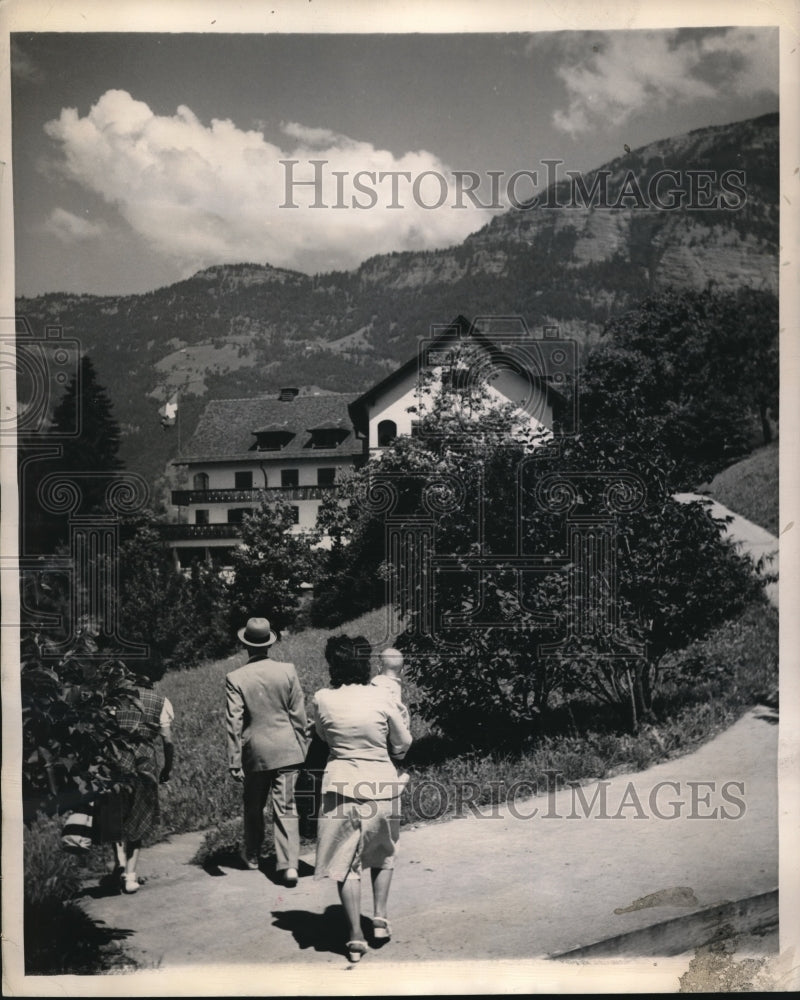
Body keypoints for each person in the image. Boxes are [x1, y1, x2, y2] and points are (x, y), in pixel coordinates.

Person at [311, 634, 412, 963]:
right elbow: (403, 741)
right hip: (381, 787)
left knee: (344, 863)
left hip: (340, 788)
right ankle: (379, 920)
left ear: (332, 664)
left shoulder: (322, 699)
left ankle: (354, 936)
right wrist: (393, 749)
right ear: (365, 662)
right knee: (383, 852)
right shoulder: (381, 697)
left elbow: (324, 737)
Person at [226, 616, 308, 885]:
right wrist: (302, 748)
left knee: (253, 805)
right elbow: (298, 714)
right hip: (287, 749)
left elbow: (234, 720)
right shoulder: (287, 670)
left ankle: (252, 855)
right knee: (286, 805)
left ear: (245, 645)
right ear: (269, 644)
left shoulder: (236, 677)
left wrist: (234, 759)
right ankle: (289, 865)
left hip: (255, 752)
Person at [94, 662, 174, 894]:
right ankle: (131, 876)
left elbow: (103, 732)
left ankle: (119, 861)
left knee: (115, 811)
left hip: (115, 757)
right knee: (139, 815)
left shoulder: (115, 700)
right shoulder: (161, 701)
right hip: (145, 762)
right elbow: (167, 741)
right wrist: (167, 768)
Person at [370, 647, 411, 791]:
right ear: (403, 669)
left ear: (378, 666)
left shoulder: (375, 682)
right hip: (392, 735)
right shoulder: (395, 685)